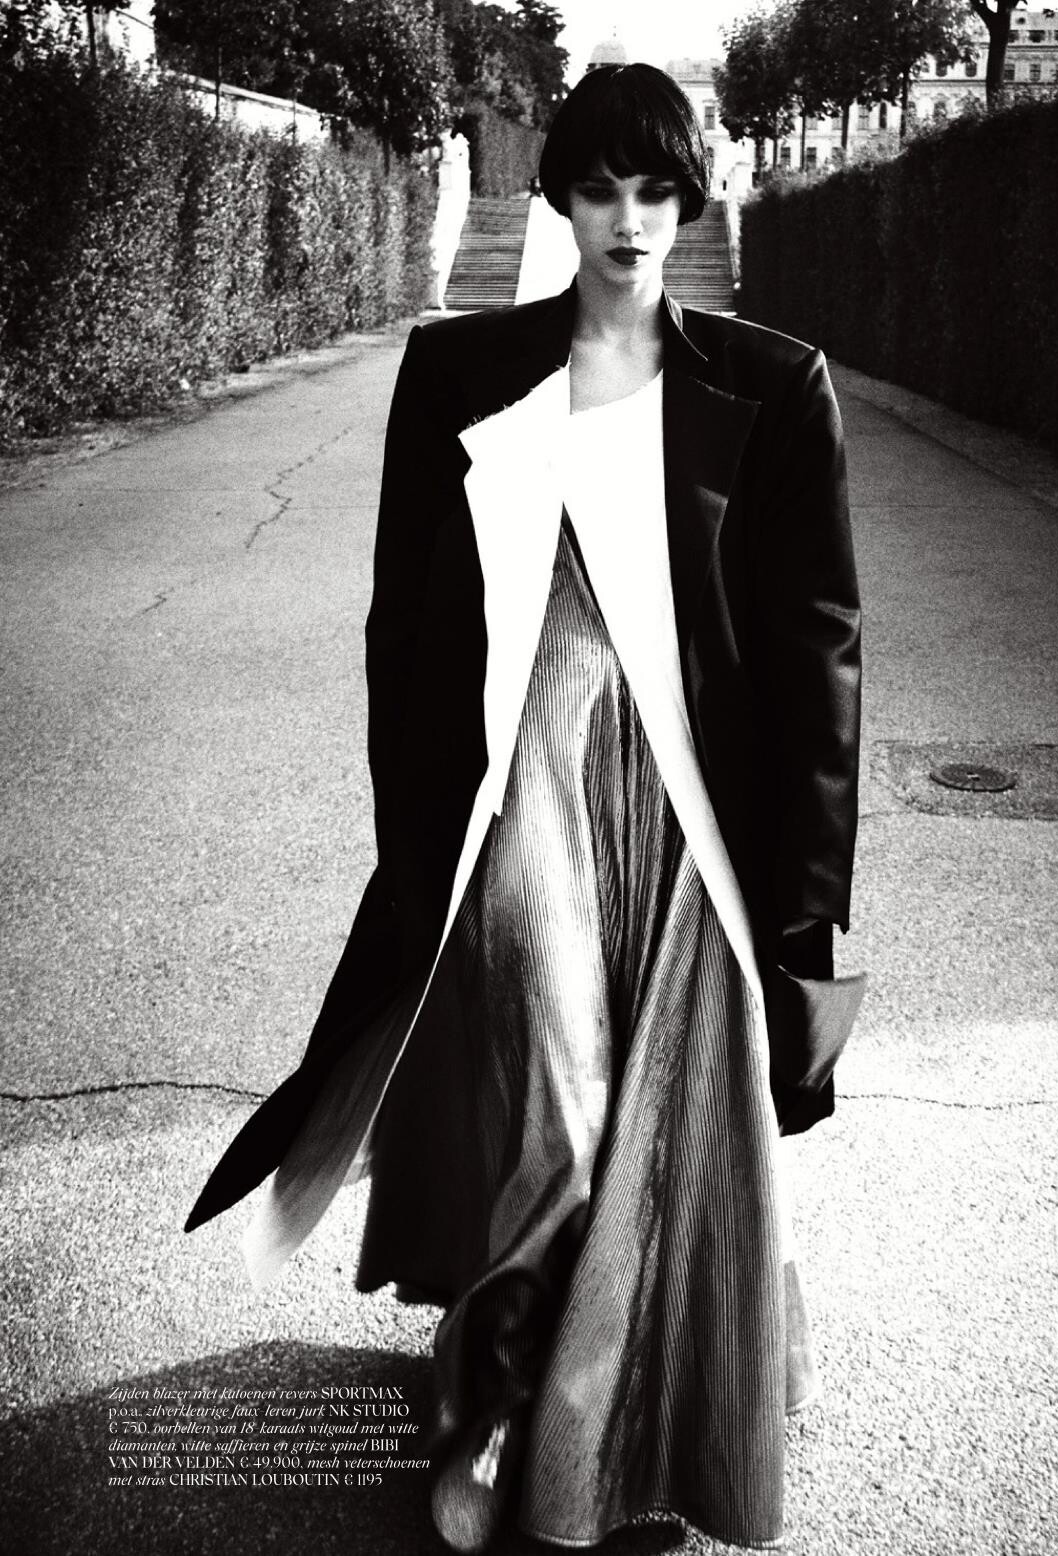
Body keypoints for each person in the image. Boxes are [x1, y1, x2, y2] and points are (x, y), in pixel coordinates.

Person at [186, 62, 862, 1554]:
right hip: (526, 791)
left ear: (690, 202)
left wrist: (809, 896)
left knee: (670, 1117)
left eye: (657, 191)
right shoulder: (457, 372)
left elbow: (820, 654)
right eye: (601, 188)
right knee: (558, 1101)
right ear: (557, 197)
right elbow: (401, 622)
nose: (630, 220)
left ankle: (633, 1412)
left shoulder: (772, 386)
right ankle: (493, 1401)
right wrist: (414, 835)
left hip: (691, 820)